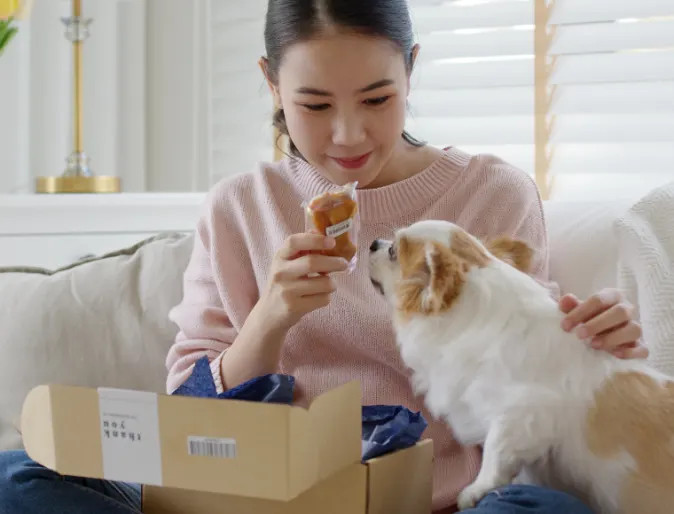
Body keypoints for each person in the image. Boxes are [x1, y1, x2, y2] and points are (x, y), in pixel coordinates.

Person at [0, 0, 647, 513]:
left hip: (432, 500)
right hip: (258, 499)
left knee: (542, 508)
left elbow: (531, 385)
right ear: (271, 85)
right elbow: (186, 420)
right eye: (313, 104)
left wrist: (590, 347)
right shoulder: (238, 209)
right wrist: (269, 319)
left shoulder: (490, 195)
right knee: (18, 475)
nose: (348, 135)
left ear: (411, 71)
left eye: (377, 98)